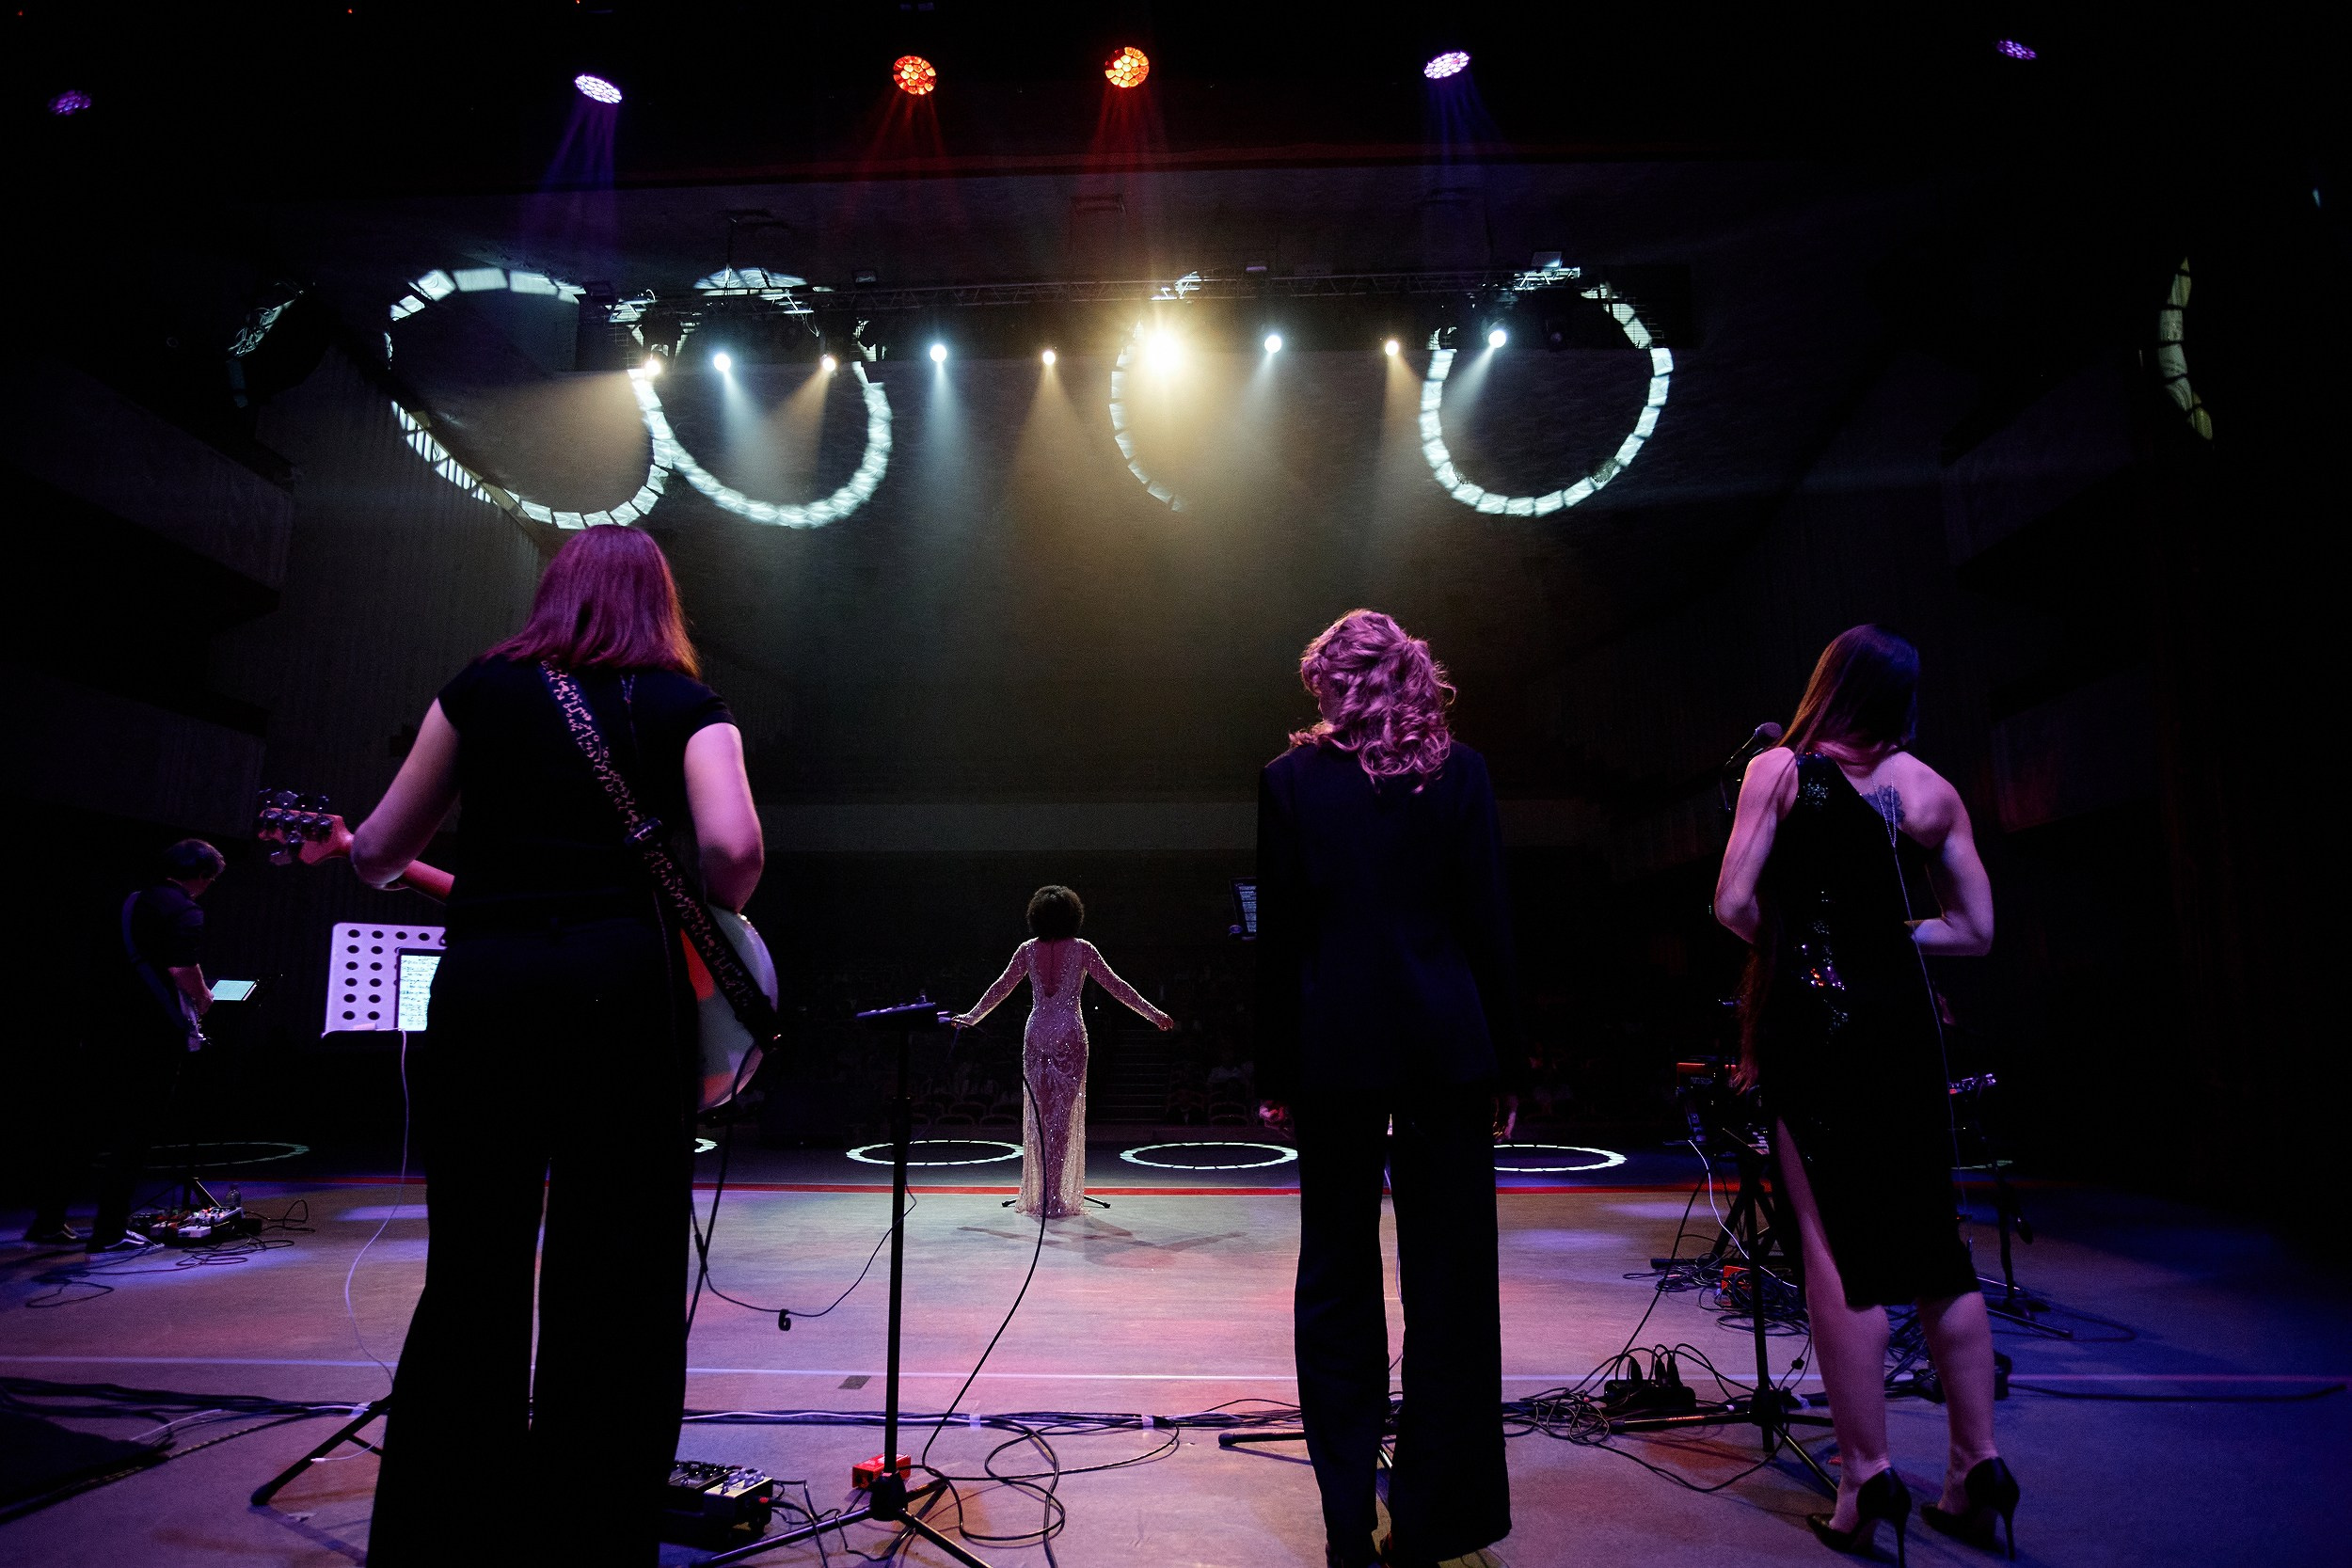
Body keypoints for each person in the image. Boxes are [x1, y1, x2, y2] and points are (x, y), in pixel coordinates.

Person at [345, 526, 763, 1567]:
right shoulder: (684, 704)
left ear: (554, 592)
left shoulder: (480, 687)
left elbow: (377, 853)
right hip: (620, 992)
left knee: (473, 1263)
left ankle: (445, 1530)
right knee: (615, 1272)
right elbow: (734, 850)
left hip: (489, 990)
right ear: (658, 601)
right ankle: (589, 1529)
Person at [1714, 625, 2016, 1562]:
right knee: (1938, 1246)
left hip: (1818, 1025)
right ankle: (1978, 1467)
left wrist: (1814, 945)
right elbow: (1973, 929)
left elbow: (1731, 903)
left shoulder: (1777, 770)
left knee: (1834, 1249)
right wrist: (1888, 940)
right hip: (1904, 1028)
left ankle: (1865, 1477)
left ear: (1827, 686)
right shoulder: (1928, 789)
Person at [1253, 610, 1518, 1568]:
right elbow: (1488, 922)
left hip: (1333, 1049)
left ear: (1333, 681)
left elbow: (1279, 942)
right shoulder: (1464, 772)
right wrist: (1508, 1059)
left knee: (1335, 1278)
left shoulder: (1287, 784)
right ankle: (1432, 1518)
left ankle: (1340, 1514)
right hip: (1445, 1045)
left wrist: (1274, 1068)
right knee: (1450, 1285)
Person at [29, 840, 225, 1251]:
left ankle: (48, 1222)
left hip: (101, 1028)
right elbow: (181, 966)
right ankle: (109, 1231)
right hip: (148, 1036)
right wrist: (204, 997)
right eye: (210, 878)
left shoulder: (130, 901)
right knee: (134, 1133)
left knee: (82, 1129)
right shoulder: (184, 909)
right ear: (202, 875)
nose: (209, 886)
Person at [951, 885, 1173, 1218]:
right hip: (1069, 1033)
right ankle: (1054, 1193)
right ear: (1073, 915)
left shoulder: (1027, 951)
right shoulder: (1082, 950)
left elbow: (999, 988)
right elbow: (1118, 987)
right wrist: (1152, 1013)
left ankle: (1042, 1192)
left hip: (1037, 1032)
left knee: (1040, 1117)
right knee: (1062, 1119)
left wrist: (971, 1017)